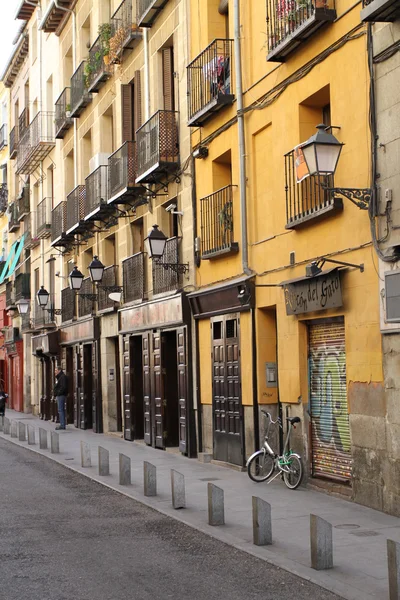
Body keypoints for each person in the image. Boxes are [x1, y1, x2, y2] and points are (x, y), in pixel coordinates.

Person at [54, 366, 68, 430]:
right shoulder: (60, 377)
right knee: (60, 410)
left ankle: (62, 425)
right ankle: (62, 424)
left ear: (59, 370)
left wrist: (58, 393)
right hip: (60, 395)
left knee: (61, 410)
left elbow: (63, 387)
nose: (55, 372)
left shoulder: (62, 377)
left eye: (56, 370)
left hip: (61, 395)